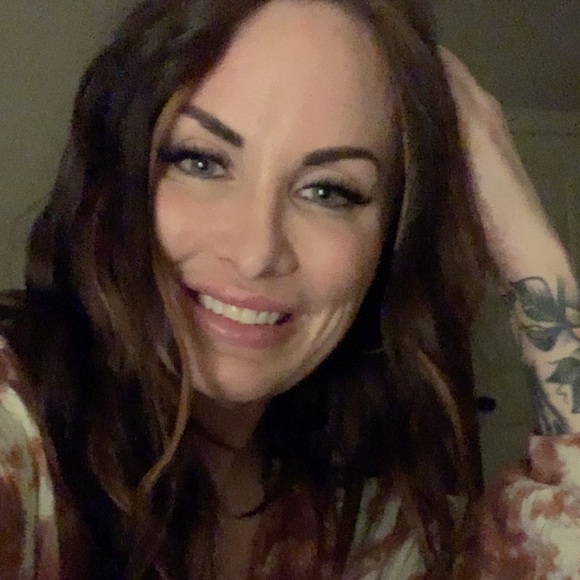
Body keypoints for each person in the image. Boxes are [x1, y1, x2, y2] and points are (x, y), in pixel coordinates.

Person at [0, 0, 578, 578]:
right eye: (200, 162)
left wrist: (528, 242)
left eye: (328, 192)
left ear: (389, 242)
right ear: (118, 171)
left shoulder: (368, 523)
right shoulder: (20, 439)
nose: (256, 254)